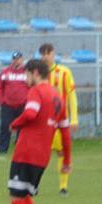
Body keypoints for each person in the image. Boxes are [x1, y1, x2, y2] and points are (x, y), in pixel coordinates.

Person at [8, 59, 71, 204]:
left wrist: (14, 124)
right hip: (43, 156)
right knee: (25, 195)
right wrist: (67, 160)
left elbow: (30, 113)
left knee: (16, 197)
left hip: (26, 152)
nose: (26, 79)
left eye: (27, 75)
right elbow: (65, 131)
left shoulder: (36, 92)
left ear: (35, 73)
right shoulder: (58, 96)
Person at [39, 43, 78, 195]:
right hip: (43, 122)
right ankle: (34, 185)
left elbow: (71, 95)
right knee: (41, 154)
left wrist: (74, 118)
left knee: (62, 153)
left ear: (53, 54)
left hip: (61, 121)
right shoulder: (38, 74)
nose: (45, 56)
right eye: (43, 53)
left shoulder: (64, 72)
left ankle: (63, 186)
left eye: (48, 53)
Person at [0, 52, 29, 153]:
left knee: (22, 128)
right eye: (14, 59)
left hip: (22, 105)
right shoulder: (5, 72)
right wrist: (2, 100)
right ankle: (2, 149)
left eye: (18, 59)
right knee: (5, 126)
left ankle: (20, 148)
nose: (16, 61)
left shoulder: (26, 73)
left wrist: (28, 100)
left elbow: (31, 87)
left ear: (22, 60)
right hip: (8, 106)